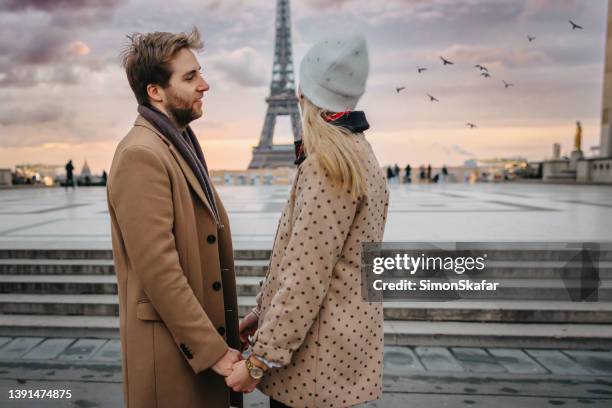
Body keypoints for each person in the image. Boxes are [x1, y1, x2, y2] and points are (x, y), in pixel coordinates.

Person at [230, 36, 389, 408]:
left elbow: (304, 277)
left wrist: (258, 361)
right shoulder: (360, 155)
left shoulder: (327, 166)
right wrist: (260, 315)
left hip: (314, 366)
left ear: (302, 90)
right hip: (343, 350)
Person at [107, 28, 243, 408]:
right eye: (190, 77)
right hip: (172, 357)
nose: (205, 85)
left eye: (199, 73)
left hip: (192, 346)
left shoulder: (177, 143)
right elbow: (159, 271)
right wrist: (211, 350)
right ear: (155, 91)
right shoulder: (142, 154)